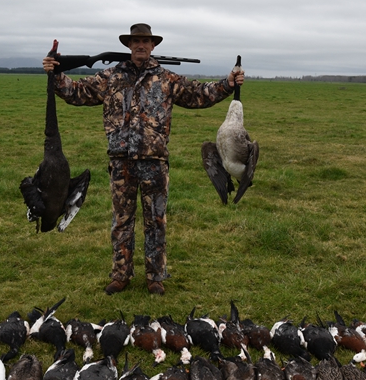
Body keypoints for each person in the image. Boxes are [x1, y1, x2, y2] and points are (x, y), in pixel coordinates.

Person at [43, 23, 244, 295]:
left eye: (145, 41)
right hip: (120, 163)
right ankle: (121, 275)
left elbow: (199, 94)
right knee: (121, 222)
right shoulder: (111, 77)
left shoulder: (167, 79)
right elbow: (77, 93)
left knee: (156, 221)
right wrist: (55, 73)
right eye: (136, 40)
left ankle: (155, 277)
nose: (140, 45)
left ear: (153, 46)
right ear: (129, 45)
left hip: (155, 163)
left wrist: (227, 84)